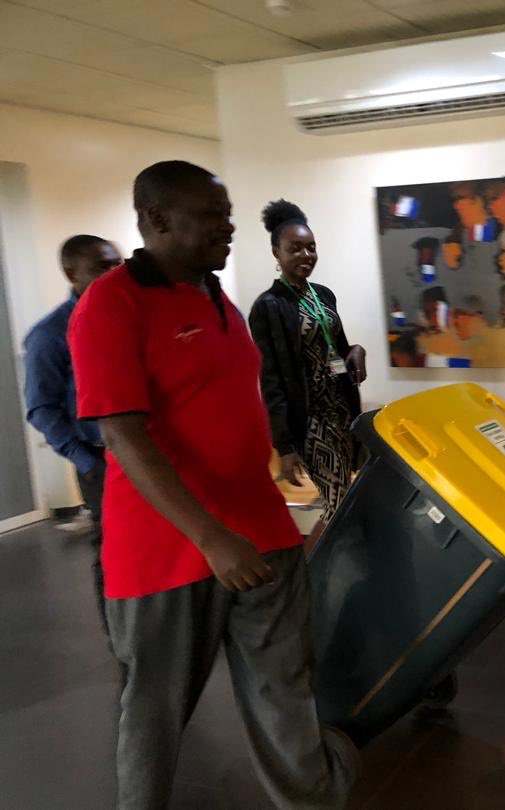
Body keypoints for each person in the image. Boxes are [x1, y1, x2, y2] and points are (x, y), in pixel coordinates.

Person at [68, 161, 357, 810]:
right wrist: (210, 537)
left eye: (228, 216)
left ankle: (312, 800)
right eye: (211, 217)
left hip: (263, 533)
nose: (228, 228)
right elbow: (123, 436)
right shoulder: (111, 303)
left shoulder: (214, 295)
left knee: (285, 689)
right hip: (169, 551)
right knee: (156, 711)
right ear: (156, 219)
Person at [248, 200, 366, 553]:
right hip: (311, 421)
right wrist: (284, 446)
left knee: (346, 496)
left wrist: (356, 351)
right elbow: (271, 380)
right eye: (295, 248)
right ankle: (313, 569)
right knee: (339, 502)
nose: (306, 255)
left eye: (311, 247)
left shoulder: (323, 294)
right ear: (276, 252)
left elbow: (339, 349)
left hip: (341, 412)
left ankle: (336, 564)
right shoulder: (268, 306)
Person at [24, 234, 122, 631]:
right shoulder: (50, 334)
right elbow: (41, 408)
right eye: (101, 267)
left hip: (147, 452)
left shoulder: (125, 318)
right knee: (113, 550)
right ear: (71, 273)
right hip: (100, 457)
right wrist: (87, 462)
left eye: (117, 265)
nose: (113, 274)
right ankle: (121, 639)